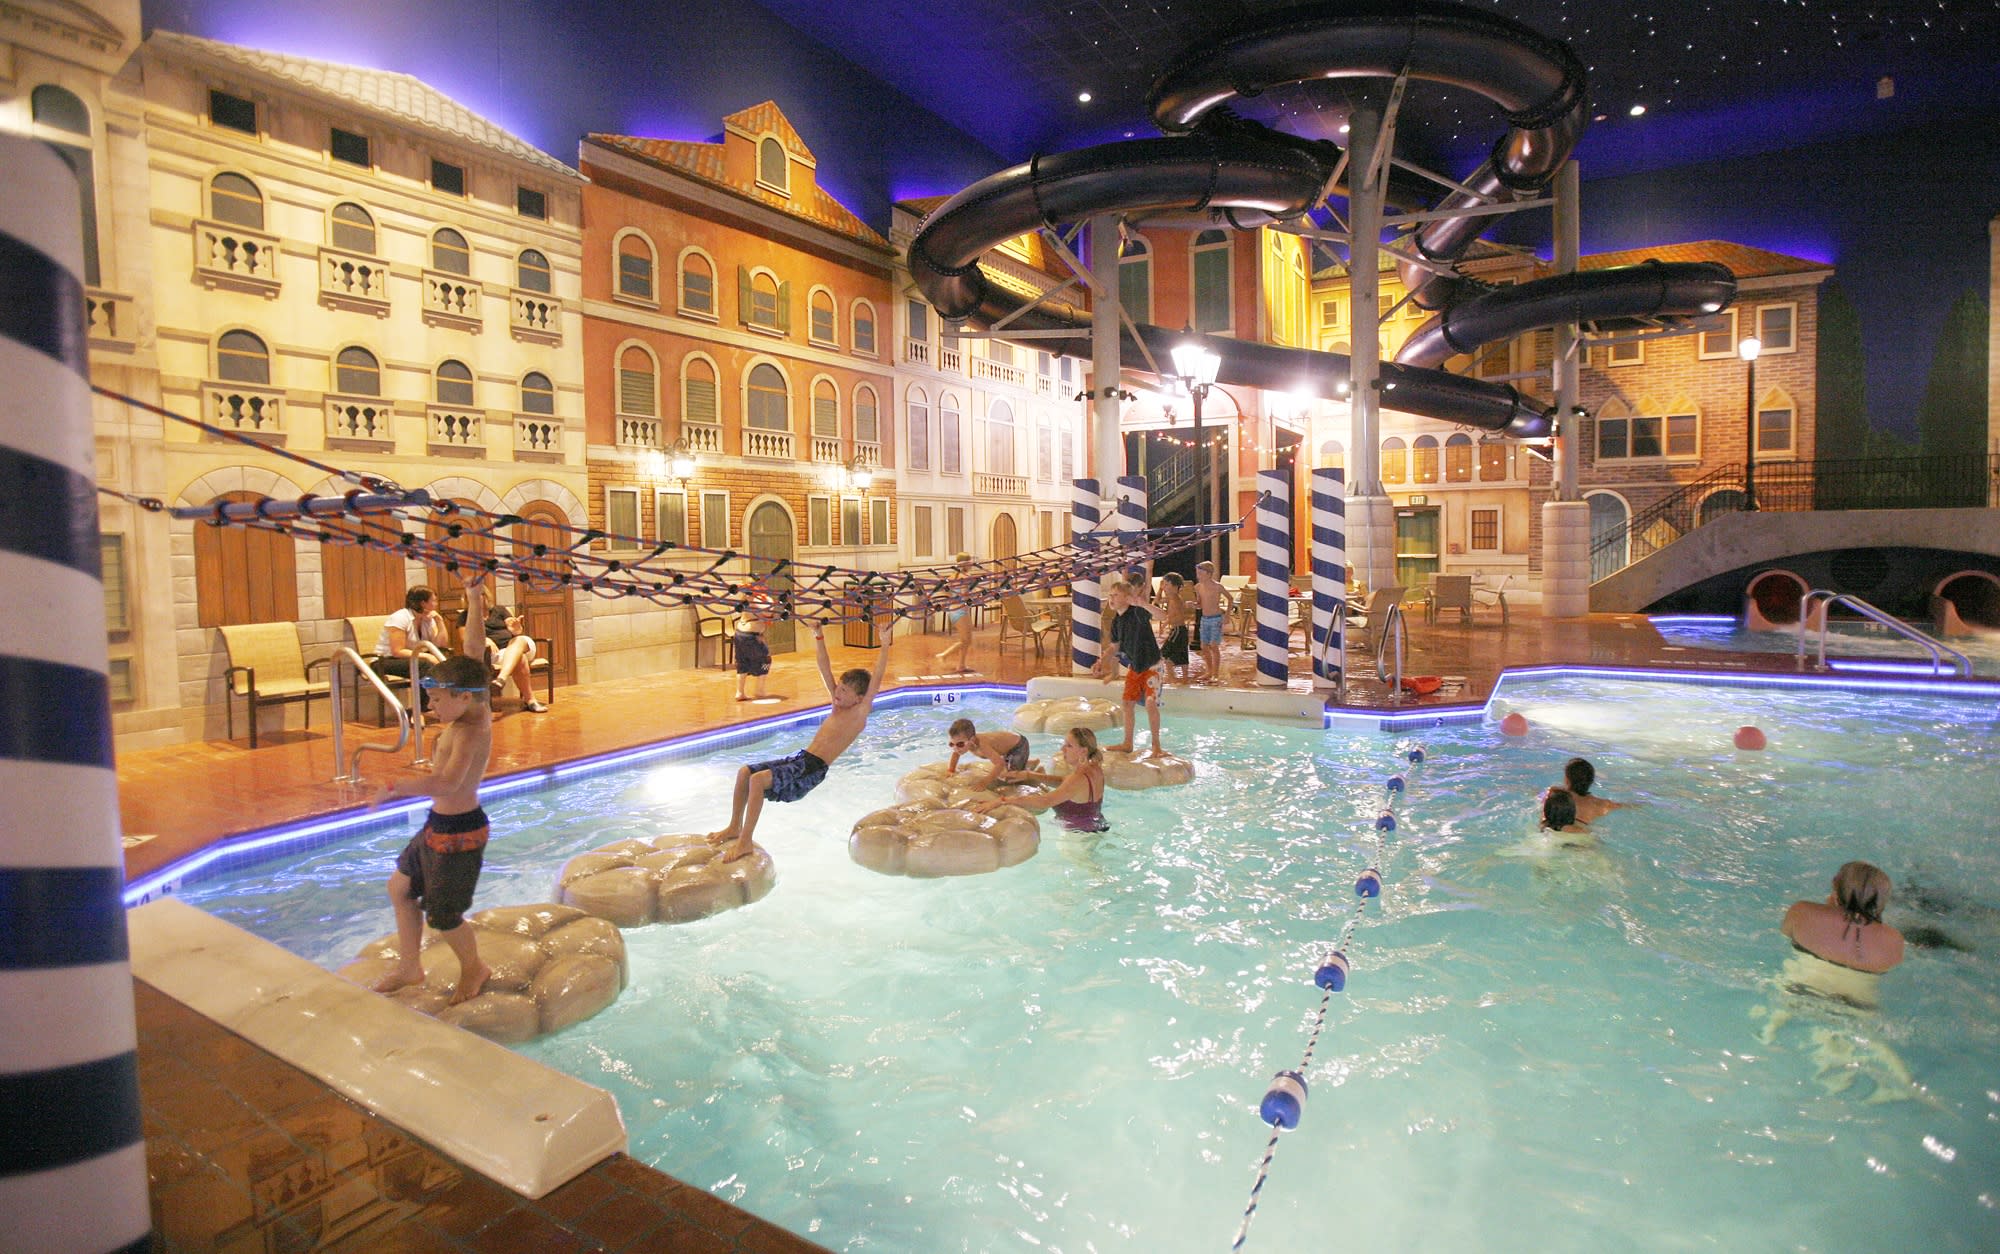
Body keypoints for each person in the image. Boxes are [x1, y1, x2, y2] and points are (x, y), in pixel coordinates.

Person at [369, 573, 497, 1005]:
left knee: (444, 916)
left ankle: (475, 968)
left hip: (460, 833)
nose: (430, 705)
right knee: (400, 888)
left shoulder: (472, 730)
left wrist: (395, 786)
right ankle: (410, 966)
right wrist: (475, 598)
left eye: (438, 698)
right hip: (439, 824)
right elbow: (474, 649)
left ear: (464, 697)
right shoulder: (469, 704)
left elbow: (447, 782)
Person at [707, 614, 893, 861]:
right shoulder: (838, 706)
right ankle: (734, 826)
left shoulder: (859, 713)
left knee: (758, 781)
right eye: (839, 686)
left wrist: (884, 642)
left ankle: (745, 842)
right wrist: (818, 635)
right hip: (801, 759)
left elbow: (877, 677)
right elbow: (823, 667)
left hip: (812, 770)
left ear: (860, 698)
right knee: (745, 772)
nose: (837, 691)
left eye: (845, 691)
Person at [1780, 861, 1905, 1005]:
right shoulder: (1894, 939)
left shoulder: (1801, 912)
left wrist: (1830, 907)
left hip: (1798, 992)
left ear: (1834, 883)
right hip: (1857, 1007)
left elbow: (1784, 936)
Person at [969, 725, 1108, 832]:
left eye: (1069, 746)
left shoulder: (1077, 779)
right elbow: (1064, 782)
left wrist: (1001, 801)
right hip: (1097, 826)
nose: (1062, 748)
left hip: (1079, 837)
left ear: (1083, 751)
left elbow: (1044, 802)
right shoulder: (1094, 768)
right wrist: (1029, 775)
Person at [1095, 578, 1166, 757]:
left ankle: (1156, 746)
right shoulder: (1116, 622)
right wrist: (1101, 660)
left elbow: (1162, 616)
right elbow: (1115, 647)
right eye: (1110, 595)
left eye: (1116, 595)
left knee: (1150, 703)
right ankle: (1127, 743)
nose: (1111, 598)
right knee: (1127, 703)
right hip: (1136, 667)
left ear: (1127, 598)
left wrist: (1144, 604)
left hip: (1152, 665)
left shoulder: (1137, 612)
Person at [373, 585, 449, 711]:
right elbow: (397, 651)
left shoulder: (429, 618)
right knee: (425, 666)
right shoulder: (400, 618)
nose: (436, 604)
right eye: (434, 601)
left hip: (413, 658)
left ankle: (428, 707)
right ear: (423, 603)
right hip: (385, 661)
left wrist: (439, 621)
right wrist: (426, 655)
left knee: (442, 659)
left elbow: (440, 644)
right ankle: (419, 711)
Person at [481, 602, 548, 713]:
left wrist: (516, 630)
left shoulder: (500, 610)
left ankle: (502, 677)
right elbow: (465, 639)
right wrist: (484, 639)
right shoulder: (466, 616)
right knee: (519, 658)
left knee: (519, 640)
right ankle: (531, 701)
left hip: (522, 646)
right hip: (497, 654)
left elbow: (516, 630)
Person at [945, 716, 1031, 790]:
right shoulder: (964, 743)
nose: (955, 748)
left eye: (960, 744)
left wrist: (984, 782)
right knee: (1005, 771)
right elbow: (956, 754)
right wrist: (951, 770)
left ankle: (1031, 768)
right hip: (1006, 747)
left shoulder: (983, 746)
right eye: (951, 744)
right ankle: (1027, 763)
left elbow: (1000, 764)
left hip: (1018, 746)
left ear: (972, 740)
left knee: (1011, 780)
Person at [933, 553, 976, 675]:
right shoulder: (965, 577)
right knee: (965, 640)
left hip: (955, 609)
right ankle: (944, 655)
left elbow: (947, 592)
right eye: (970, 561)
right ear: (966, 563)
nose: (972, 563)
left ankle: (961, 665)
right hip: (960, 610)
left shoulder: (952, 576)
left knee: (967, 639)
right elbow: (964, 594)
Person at [1192, 560, 1228, 685]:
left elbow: (1230, 598)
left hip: (1216, 619)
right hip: (1204, 619)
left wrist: (1227, 615)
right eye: (1197, 574)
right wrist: (1194, 605)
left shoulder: (1217, 587)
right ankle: (1209, 670)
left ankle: (1215, 674)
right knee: (1204, 646)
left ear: (1209, 574)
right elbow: (1200, 604)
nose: (1198, 576)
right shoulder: (1198, 587)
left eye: (1200, 574)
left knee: (1214, 645)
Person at [1559, 758, 1625, 822]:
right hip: (1583, 832)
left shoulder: (1555, 795)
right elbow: (1624, 806)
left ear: (1567, 779)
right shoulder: (1600, 804)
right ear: (1591, 781)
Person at [733, 599, 773, 701]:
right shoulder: (756, 599)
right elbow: (768, 613)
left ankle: (740, 692)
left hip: (740, 634)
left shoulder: (746, 597)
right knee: (766, 660)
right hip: (750, 636)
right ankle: (759, 690)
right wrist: (769, 601)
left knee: (742, 663)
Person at [1158, 571, 1192, 684]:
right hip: (1180, 630)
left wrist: (1165, 623)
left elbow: (1175, 614)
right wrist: (1160, 589)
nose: (1165, 587)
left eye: (1167, 585)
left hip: (1177, 630)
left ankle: (1172, 678)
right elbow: (1156, 601)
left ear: (1175, 586)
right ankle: (1184, 678)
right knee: (1182, 654)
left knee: (1164, 654)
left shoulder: (1175, 599)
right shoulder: (1173, 598)